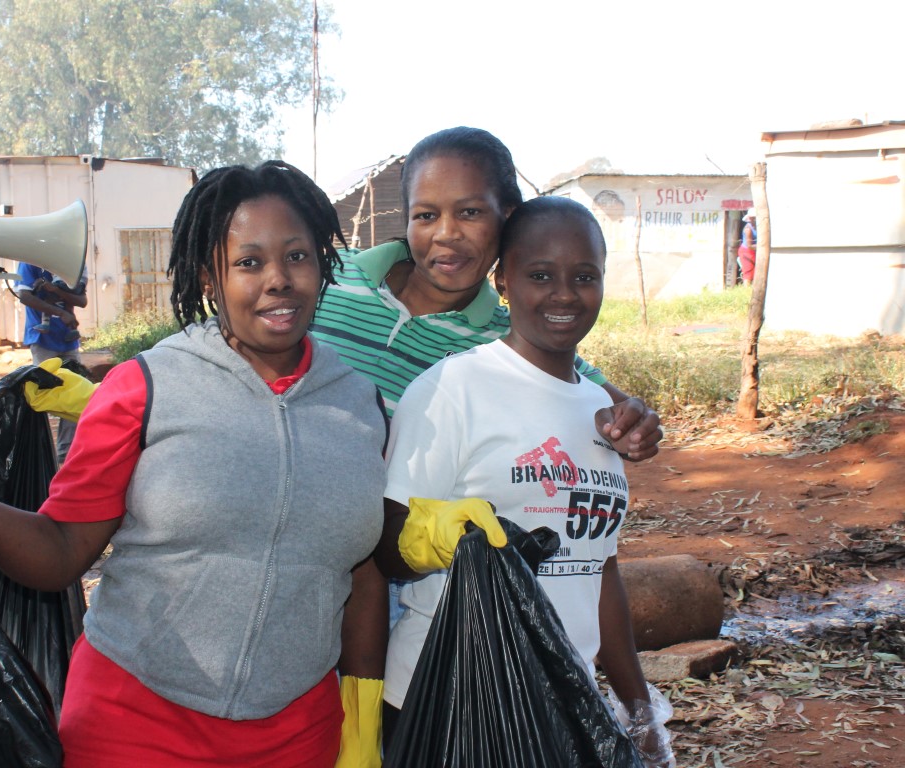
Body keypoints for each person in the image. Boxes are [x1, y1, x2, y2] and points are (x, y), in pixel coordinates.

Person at [0, 161, 389, 768]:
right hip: (132, 727)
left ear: (322, 264)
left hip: (299, 736)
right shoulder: (144, 386)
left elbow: (362, 576)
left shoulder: (360, 405)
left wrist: (362, 720)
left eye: (297, 256)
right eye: (248, 262)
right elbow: (60, 549)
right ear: (209, 277)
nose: (278, 279)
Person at [308, 127, 663, 630]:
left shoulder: (503, 335)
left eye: (470, 212)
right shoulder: (329, 280)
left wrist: (634, 422)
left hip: (384, 576)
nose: (446, 233)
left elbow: (603, 399)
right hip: (287, 538)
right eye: (425, 215)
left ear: (508, 218)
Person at [375, 196, 673, 766]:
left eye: (584, 276)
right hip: (448, 701)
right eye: (540, 275)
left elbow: (598, 570)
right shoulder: (453, 390)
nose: (564, 294)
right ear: (503, 281)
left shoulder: (601, 410)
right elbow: (387, 547)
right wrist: (442, 535)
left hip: (560, 707)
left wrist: (639, 710)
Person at [16, 264, 87, 462]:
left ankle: (66, 453)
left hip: (67, 339)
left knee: (74, 393)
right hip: (42, 339)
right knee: (41, 395)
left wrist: (56, 291)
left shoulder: (69, 262)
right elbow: (24, 296)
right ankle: (37, 454)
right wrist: (61, 311)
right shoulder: (29, 262)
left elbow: (82, 300)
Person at [738, 208, 758, 284]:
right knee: (748, 271)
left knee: (755, 271)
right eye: (752, 218)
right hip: (746, 251)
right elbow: (750, 245)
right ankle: (746, 287)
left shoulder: (758, 227)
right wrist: (761, 246)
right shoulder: (748, 229)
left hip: (754, 251)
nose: (754, 219)